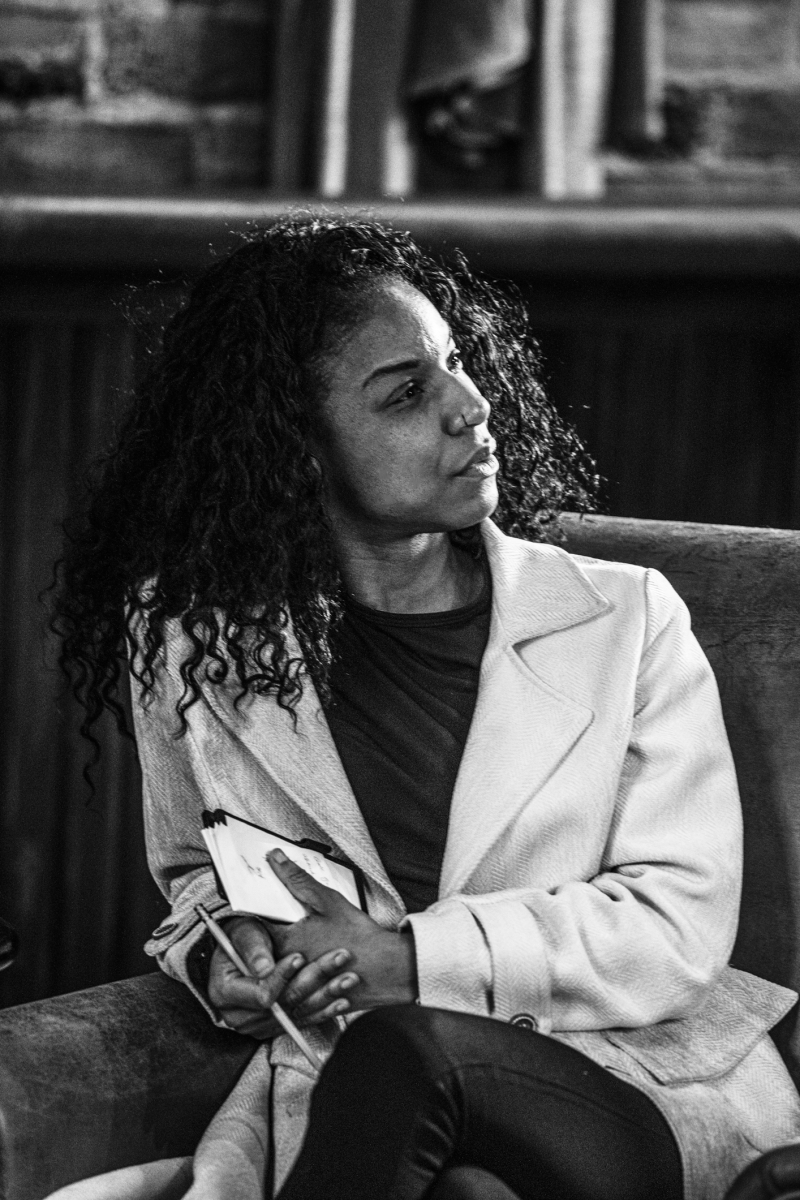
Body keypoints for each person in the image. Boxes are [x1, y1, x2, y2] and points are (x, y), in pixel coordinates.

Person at [55, 215, 800, 1200]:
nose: (469, 405)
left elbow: (674, 925)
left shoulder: (624, 619)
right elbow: (200, 875)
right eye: (406, 392)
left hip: (627, 1083)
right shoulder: (192, 638)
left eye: (454, 363)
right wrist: (229, 961)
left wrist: (408, 961)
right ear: (296, 447)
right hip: (361, 1100)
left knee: (407, 1052)